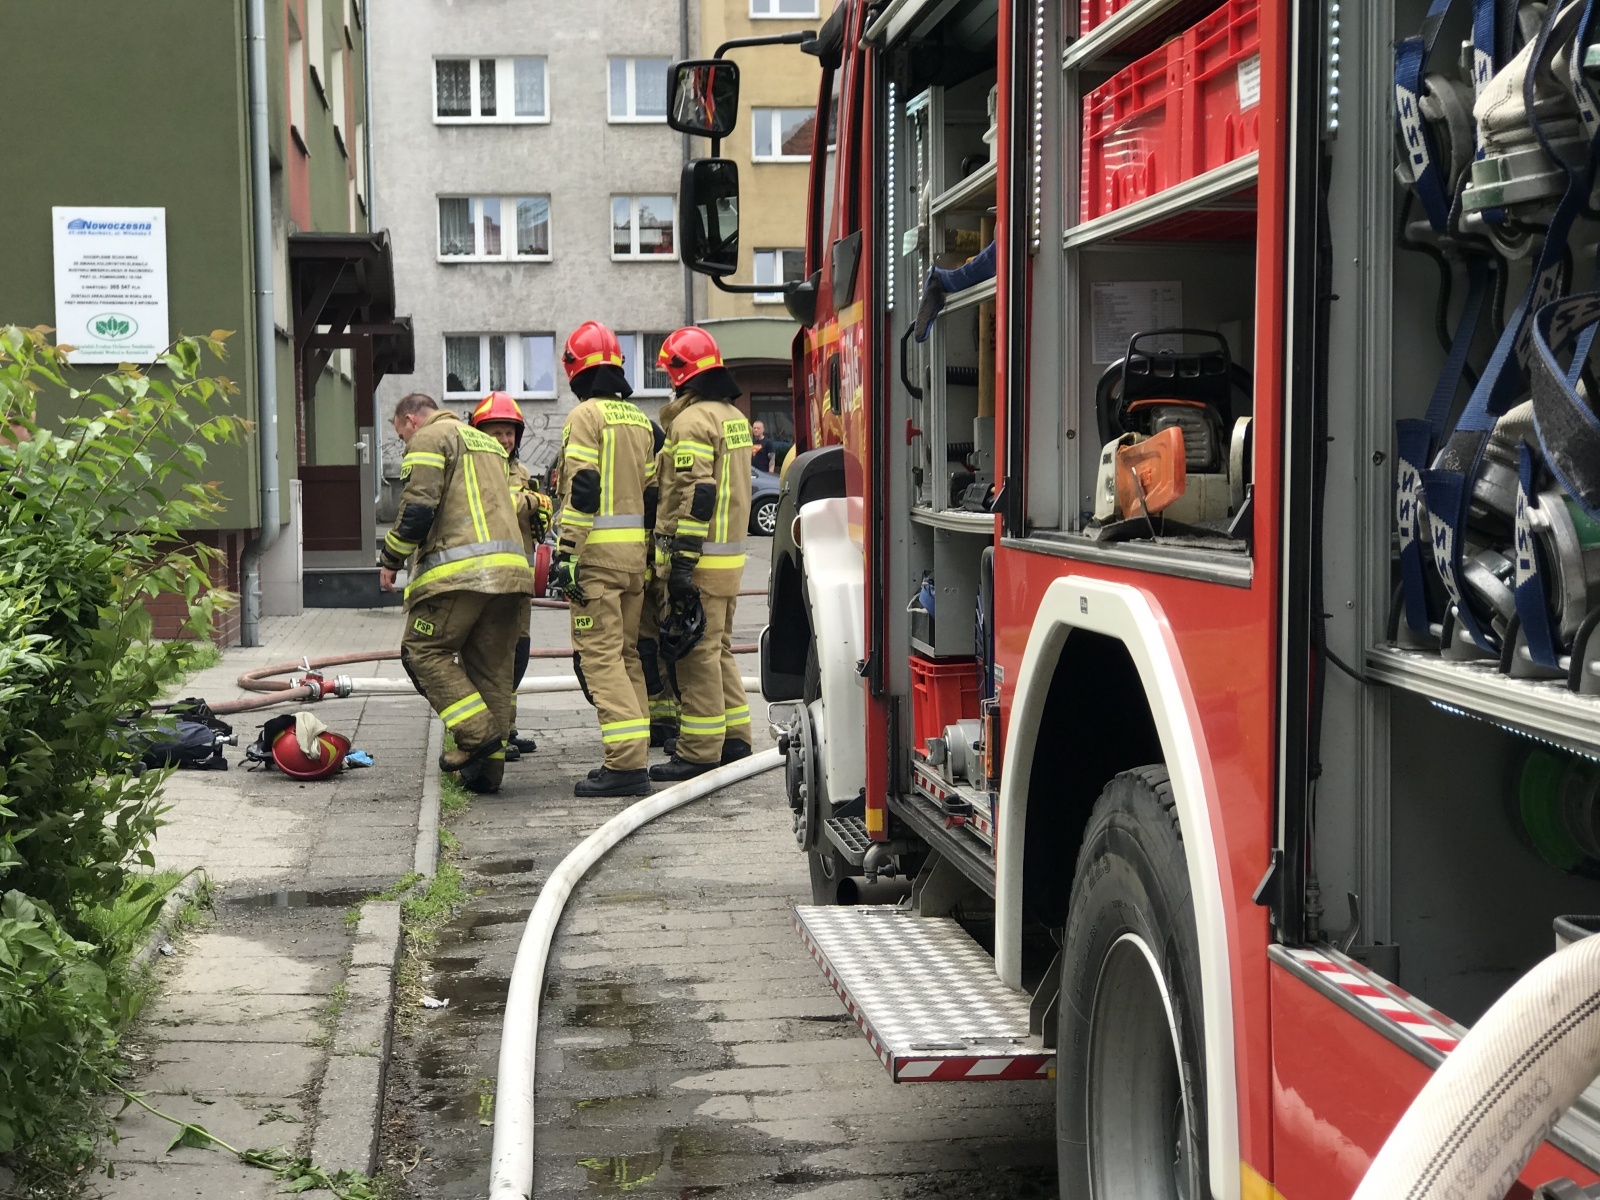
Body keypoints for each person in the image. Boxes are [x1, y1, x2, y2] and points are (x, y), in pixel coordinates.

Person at [378, 392, 534, 794]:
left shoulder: (431, 438)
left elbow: (417, 507)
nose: (404, 444)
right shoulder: (482, 441)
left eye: (400, 436)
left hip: (460, 575)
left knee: (422, 651)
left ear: (411, 420)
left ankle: (475, 734)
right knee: (492, 671)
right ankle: (486, 774)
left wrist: (391, 558)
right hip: (511, 576)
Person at [553, 322, 657, 797]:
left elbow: (585, 488)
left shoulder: (585, 417)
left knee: (600, 657)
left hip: (594, 560)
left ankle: (625, 765)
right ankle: (637, 751)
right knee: (627, 655)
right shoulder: (639, 420)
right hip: (634, 560)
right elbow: (653, 495)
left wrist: (566, 553)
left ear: (576, 370)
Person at [650, 327, 753, 781]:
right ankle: (735, 738)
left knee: (695, 655)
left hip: (700, 559)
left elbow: (698, 492)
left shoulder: (692, 422)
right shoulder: (732, 416)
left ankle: (699, 749)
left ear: (680, 373)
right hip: (728, 558)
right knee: (719, 647)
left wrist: (683, 562)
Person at [468, 391, 552, 762]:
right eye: (496, 432)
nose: (504, 440)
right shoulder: (474, 470)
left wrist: (541, 518)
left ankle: (509, 728)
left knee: (518, 652)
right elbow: (500, 502)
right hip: (487, 579)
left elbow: (528, 511)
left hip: (519, 576)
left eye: (509, 433)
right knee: (492, 656)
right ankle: (490, 733)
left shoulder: (522, 471)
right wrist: (535, 501)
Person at [638, 422, 680, 747]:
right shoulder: (666, 454)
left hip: (652, 565)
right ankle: (664, 720)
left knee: (651, 643)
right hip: (658, 565)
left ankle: (664, 720)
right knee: (656, 644)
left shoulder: (656, 468)